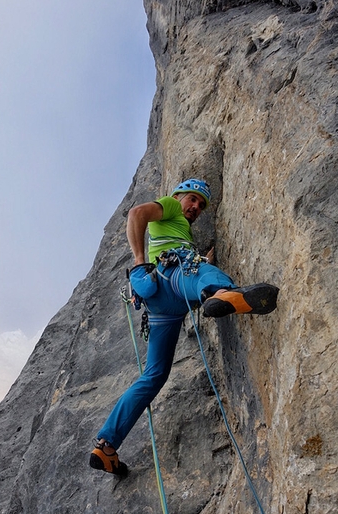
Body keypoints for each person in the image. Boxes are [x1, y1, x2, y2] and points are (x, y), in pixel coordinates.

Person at [90, 179, 279, 476]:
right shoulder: (168, 206)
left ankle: (106, 446)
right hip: (169, 278)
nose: (195, 208)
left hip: (162, 307)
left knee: (154, 375)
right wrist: (139, 262)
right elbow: (137, 213)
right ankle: (221, 291)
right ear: (178, 196)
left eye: (201, 206)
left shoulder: (178, 228)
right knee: (197, 271)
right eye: (192, 200)